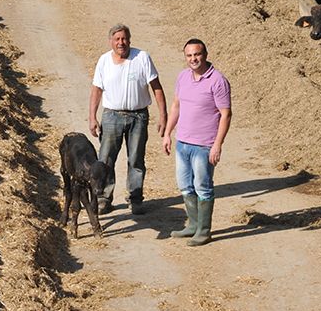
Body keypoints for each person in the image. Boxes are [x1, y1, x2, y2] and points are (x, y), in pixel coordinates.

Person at [89, 24, 167, 215]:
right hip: (111, 116)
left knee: (136, 159)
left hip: (138, 116)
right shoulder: (104, 61)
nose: (121, 43)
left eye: (124, 39)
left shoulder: (142, 58)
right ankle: (103, 199)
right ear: (111, 42)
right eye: (117, 39)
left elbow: (156, 87)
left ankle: (135, 198)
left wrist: (163, 115)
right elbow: (96, 90)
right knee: (106, 158)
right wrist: (92, 116)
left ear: (129, 40)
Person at [162, 38, 231, 246]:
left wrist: (217, 144)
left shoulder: (218, 81)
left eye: (197, 54)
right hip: (183, 143)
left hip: (204, 145)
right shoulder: (183, 77)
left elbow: (226, 114)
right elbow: (176, 106)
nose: (194, 59)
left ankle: (204, 230)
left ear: (205, 55)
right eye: (189, 55)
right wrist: (167, 133)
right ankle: (192, 224)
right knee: (185, 185)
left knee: (203, 186)